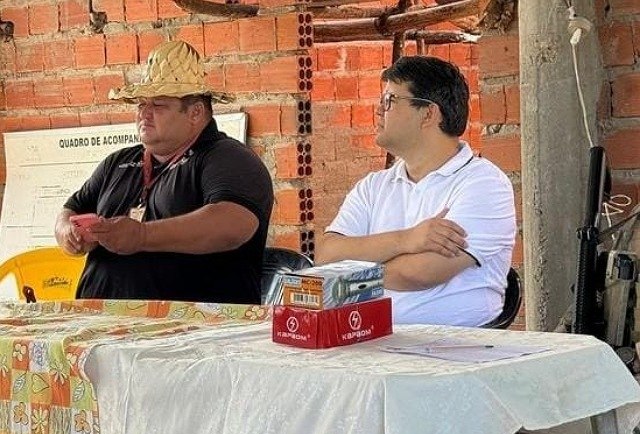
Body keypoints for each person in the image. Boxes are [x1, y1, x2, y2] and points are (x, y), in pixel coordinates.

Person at [54, 40, 273, 304]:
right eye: (140, 105)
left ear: (195, 112)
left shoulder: (227, 157)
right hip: (103, 325)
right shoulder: (118, 162)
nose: (144, 114)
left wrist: (142, 236)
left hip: (191, 333)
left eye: (158, 105)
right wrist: (69, 232)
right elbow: (72, 209)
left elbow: (233, 225)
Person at [316, 55, 516, 326]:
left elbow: (422, 272)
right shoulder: (373, 186)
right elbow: (326, 255)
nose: (378, 111)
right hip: (368, 340)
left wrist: (350, 271)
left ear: (428, 114)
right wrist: (406, 240)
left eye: (389, 101)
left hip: (458, 348)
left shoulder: (484, 184)